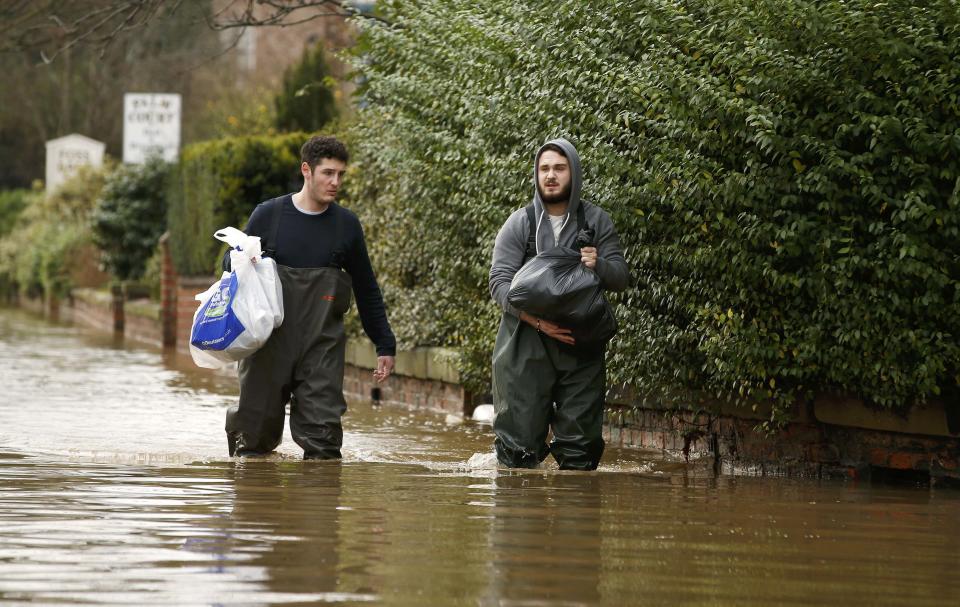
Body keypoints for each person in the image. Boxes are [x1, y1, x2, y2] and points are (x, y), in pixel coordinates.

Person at [224, 135, 396, 459]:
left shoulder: (346, 226)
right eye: (328, 173)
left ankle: (318, 506)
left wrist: (384, 343)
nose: (335, 182)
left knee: (324, 442)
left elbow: (366, 287)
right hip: (266, 347)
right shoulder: (268, 216)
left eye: (341, 175)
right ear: (307, 170)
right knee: (252, 440)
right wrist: (243, 258)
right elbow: (230, 272)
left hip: (321, 348)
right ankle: (253, 505)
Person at [488, 138, 630, 470]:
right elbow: (499, 284)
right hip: (524, 344)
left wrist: (599, 265)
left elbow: (620, 278)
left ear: (574, 173)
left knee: (580, 453)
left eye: (560, 169)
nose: (551, 176)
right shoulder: (519, 224)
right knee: (518, 454)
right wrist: (539, 322)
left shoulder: (596, 221)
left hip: (581, 343)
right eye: (544, 169)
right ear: (536, 175)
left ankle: (575, 513)